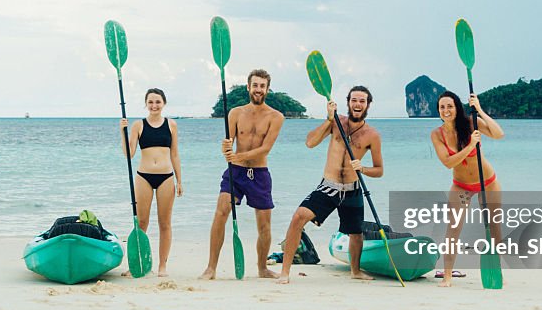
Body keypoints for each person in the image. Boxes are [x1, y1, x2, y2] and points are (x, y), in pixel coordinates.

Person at [278, 86, 383, 285]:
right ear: (348, 102)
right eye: (354, 100)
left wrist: (363, 168)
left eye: (362, 101)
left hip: (352, 189)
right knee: (298, 218)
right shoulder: (336, 122)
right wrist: (328, 119)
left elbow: (379, 170)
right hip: (328, 187)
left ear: (368, 104)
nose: (358, 104)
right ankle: (285, 272)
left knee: (356, 233)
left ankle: (355, 271)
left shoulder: (372, 135)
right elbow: (310, 142)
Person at [200, 69, 285, 280]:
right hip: (235, 173)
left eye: (262, 86)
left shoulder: (276, 117)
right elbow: (228, 142)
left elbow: (265, 149)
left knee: (264, 225)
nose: (258, 89)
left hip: (259, 174)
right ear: (248, 87)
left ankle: (262, 268)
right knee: (221, 212)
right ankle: (211, 268)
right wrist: (226, 148)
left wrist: (239, 156)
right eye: (255, 85)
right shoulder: (235, 113)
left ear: (267, 89)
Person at [430, 90, 505, 287]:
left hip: (487, 183)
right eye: (442, 107)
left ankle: (496, 271)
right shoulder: (437, 134)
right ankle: (447, 276)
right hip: (461, 186)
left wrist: (479, 109)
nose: (446, 110)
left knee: (494, 229)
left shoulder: (472, 122)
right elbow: (448, 162)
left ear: (457, 108)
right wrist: (471, 144)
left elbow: (499, 134)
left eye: (450, 106)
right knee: (453, 230)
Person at [120, 88, 182, 277]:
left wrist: (179, 180)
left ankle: (162, 266)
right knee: (142, 222)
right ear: (146, 104)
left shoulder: (171, 125)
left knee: (165, 223)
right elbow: (129, 154)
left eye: (158, 102)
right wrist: (122, 131)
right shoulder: (138, 125)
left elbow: (175, 154)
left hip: (166, 177)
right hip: (143, 176)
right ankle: (136, 265)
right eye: (150, 102)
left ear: (164, 103)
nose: (154, 105)